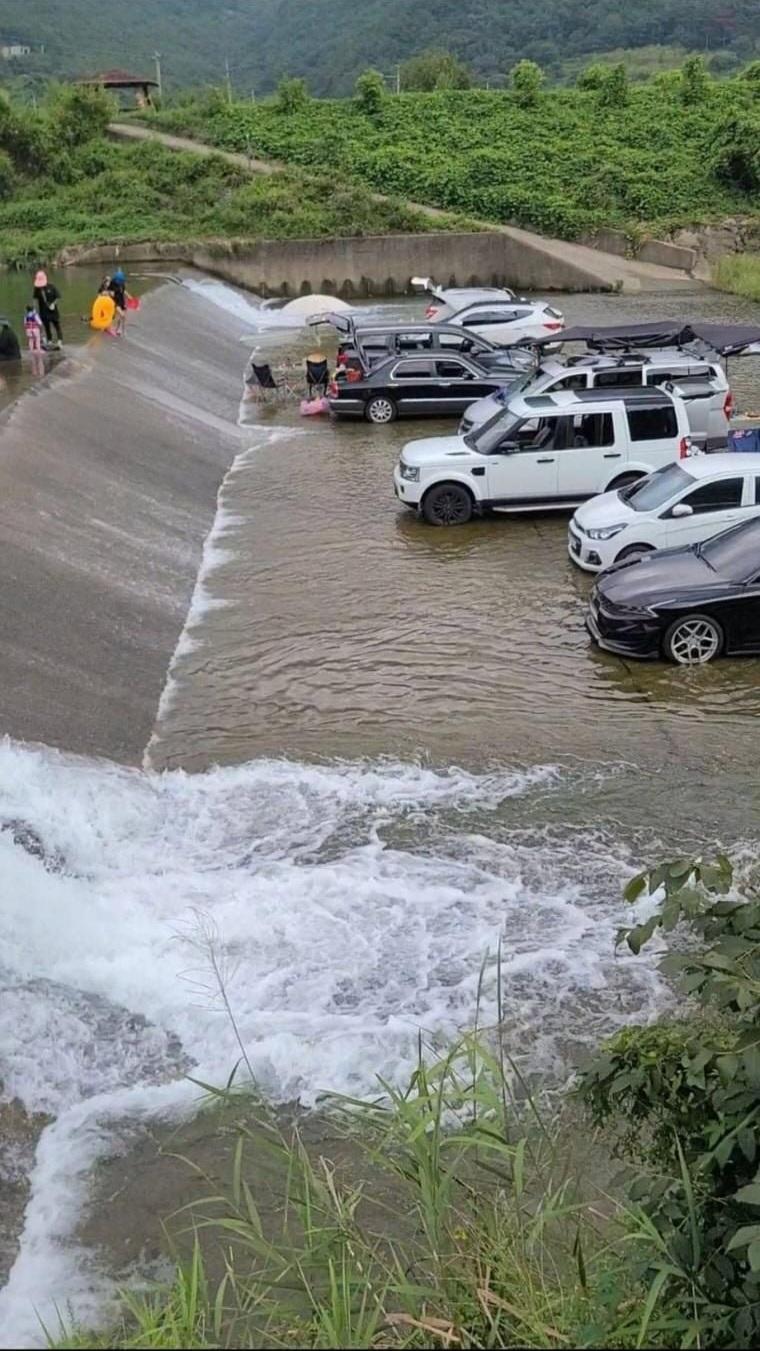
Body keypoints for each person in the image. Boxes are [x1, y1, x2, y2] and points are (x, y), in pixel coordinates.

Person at [33, 270, 63, 349]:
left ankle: (60, 341)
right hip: (43, 311)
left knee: (57, 326)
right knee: (46, 327)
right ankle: (49, 341)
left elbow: (58, 297)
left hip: (53, 310)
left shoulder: (51, 286)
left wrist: (53, 304)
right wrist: (34, 311)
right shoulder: (37, 289)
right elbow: (35, 299)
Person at [107, 269, 130, 337]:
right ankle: (116, 329)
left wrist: (128, 296)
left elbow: (123, 291)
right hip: (115, 302)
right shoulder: (112, 283)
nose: (120, 282)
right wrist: (111, 293)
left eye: (121, 280)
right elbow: (108, 292)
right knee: (122, 315)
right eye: (119, 280)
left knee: (121, 317)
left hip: (121, 301)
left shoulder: (122, 283)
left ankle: (121, 330)